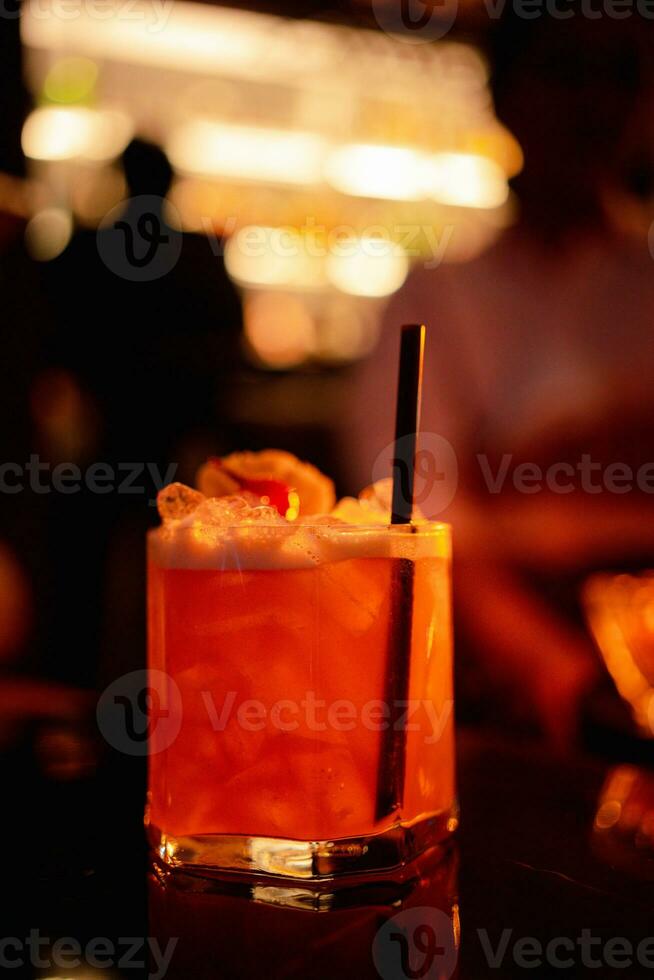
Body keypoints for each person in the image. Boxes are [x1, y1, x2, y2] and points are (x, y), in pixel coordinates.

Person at [346, 19, 654, 745]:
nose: (593, 103)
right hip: (501, 653)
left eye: (618, 74)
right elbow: (420, 516)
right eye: (564, 71)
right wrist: (565, 682)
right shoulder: (439, 296)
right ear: (505, 95)